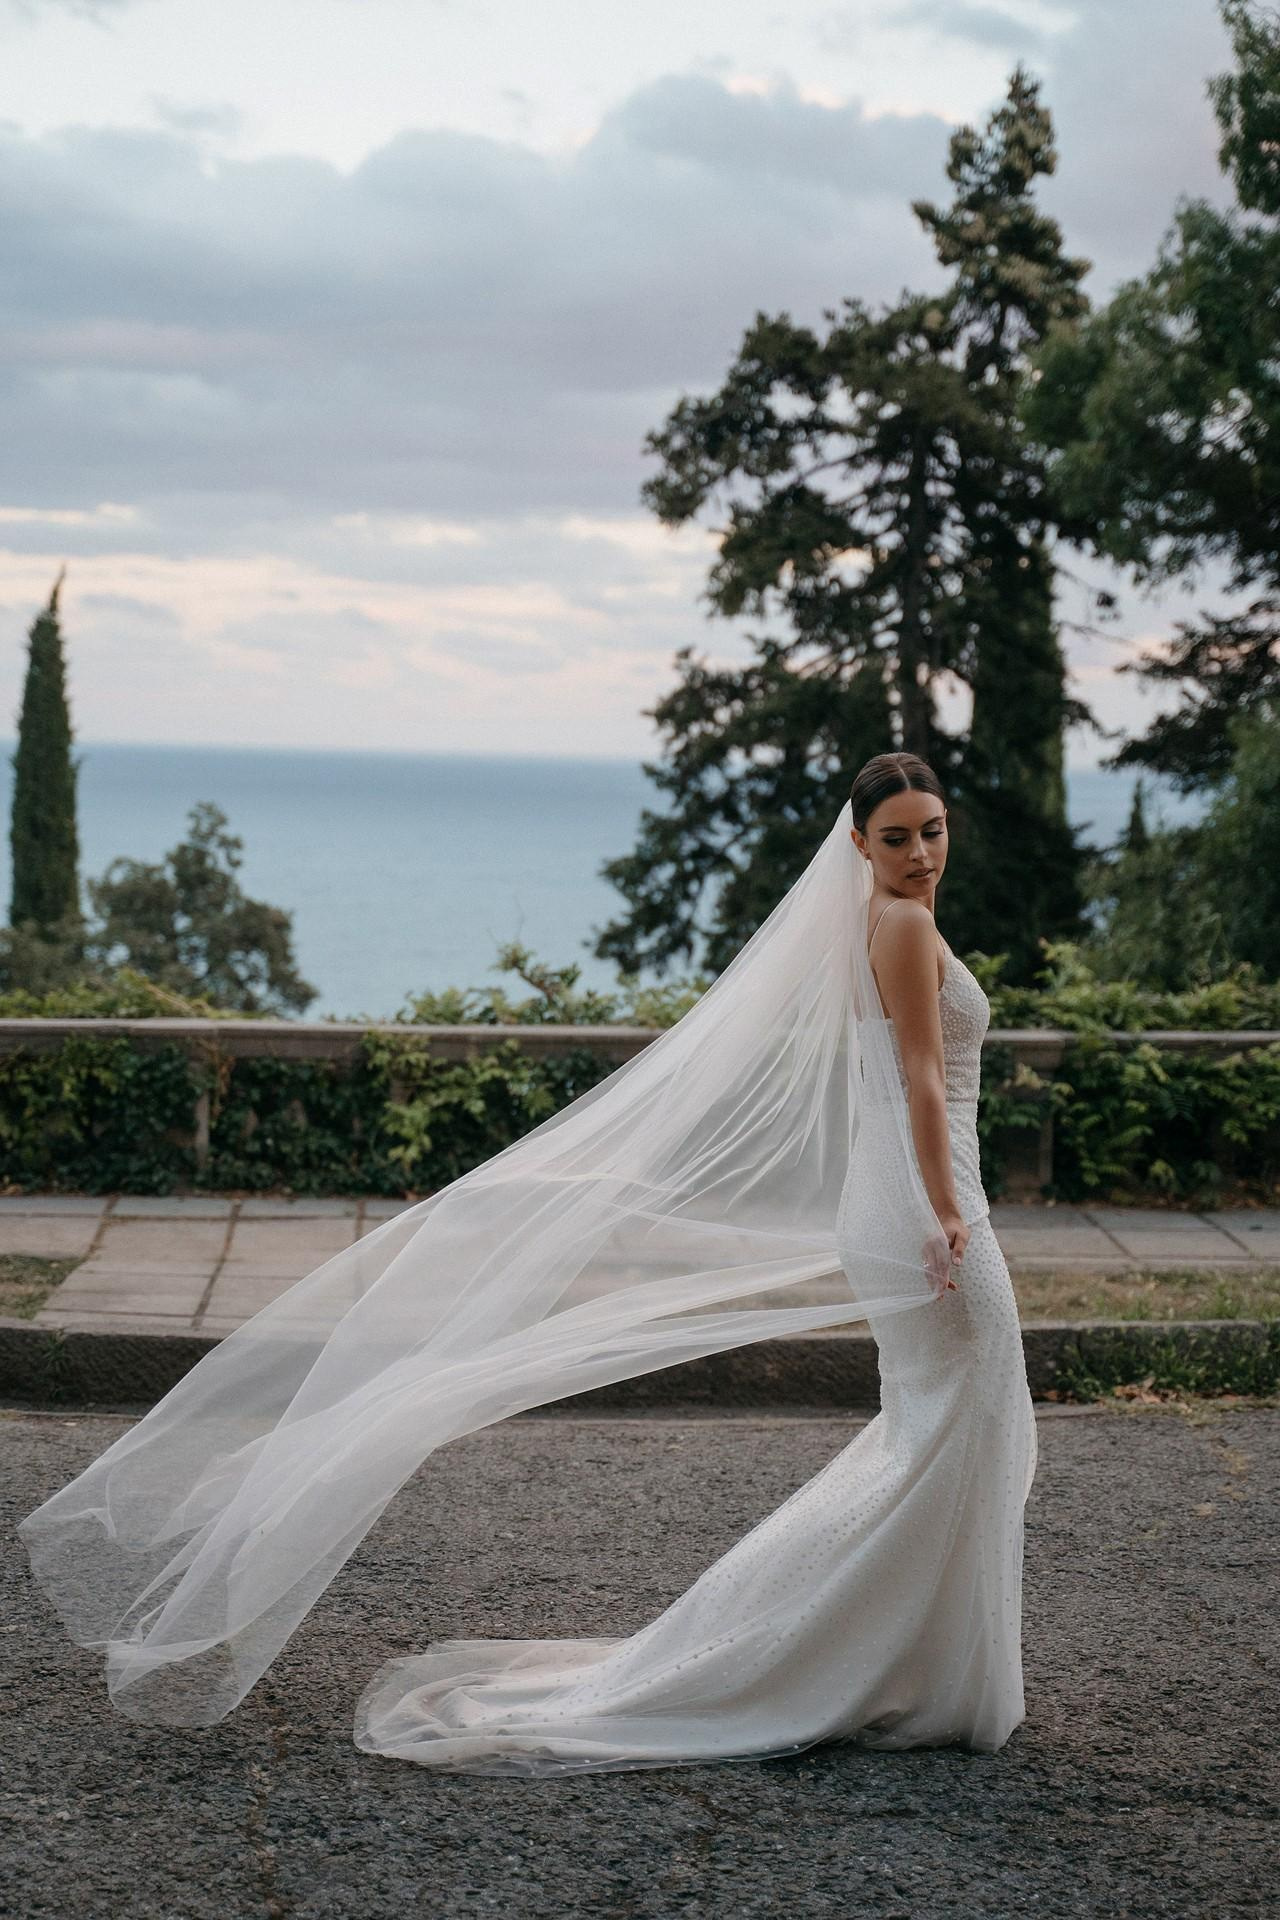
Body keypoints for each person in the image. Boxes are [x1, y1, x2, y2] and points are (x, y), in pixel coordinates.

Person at [19, 751, 1037, 1775]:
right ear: (856, 844)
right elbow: (913, 1071)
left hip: (896, 1193)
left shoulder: (881, 920)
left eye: (932, 831)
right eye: (895, 836)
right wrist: (946, 1210)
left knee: (942, 1429)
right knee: (963, 1419)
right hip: (923, 1198)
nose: (918, 854)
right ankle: (834, 1656)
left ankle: (886, 1656)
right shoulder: (900, 924)